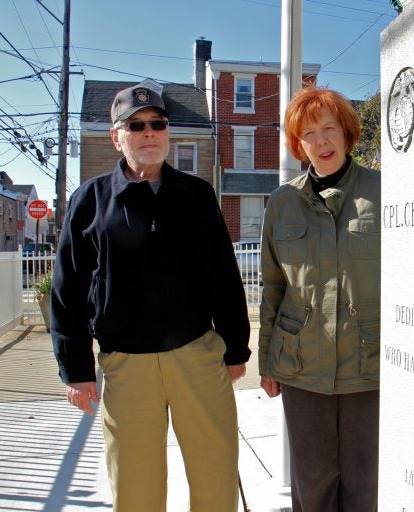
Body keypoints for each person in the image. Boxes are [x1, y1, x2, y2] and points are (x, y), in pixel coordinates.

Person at [50, 84, 250, 512]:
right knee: (136, 487)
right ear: (116, 136)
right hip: (127, 363)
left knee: (215, 475)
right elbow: (67, 290)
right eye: (136, 126)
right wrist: (76, 369)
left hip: (197, 356)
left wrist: (236, 347)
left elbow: (224, 277)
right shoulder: (90, 201)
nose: (149, 133)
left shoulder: (197, 195)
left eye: (158, 124)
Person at [259, 87, 381, 511]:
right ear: (298, 144)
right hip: (301, 366)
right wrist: (267, 362)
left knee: (366, 486)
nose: (322, 141)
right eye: (309, 133)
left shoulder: (383, 194)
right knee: (312, 487)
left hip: (370, 364)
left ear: (347, 134)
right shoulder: (282, 203)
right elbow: (272, 286)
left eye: (330, 129)